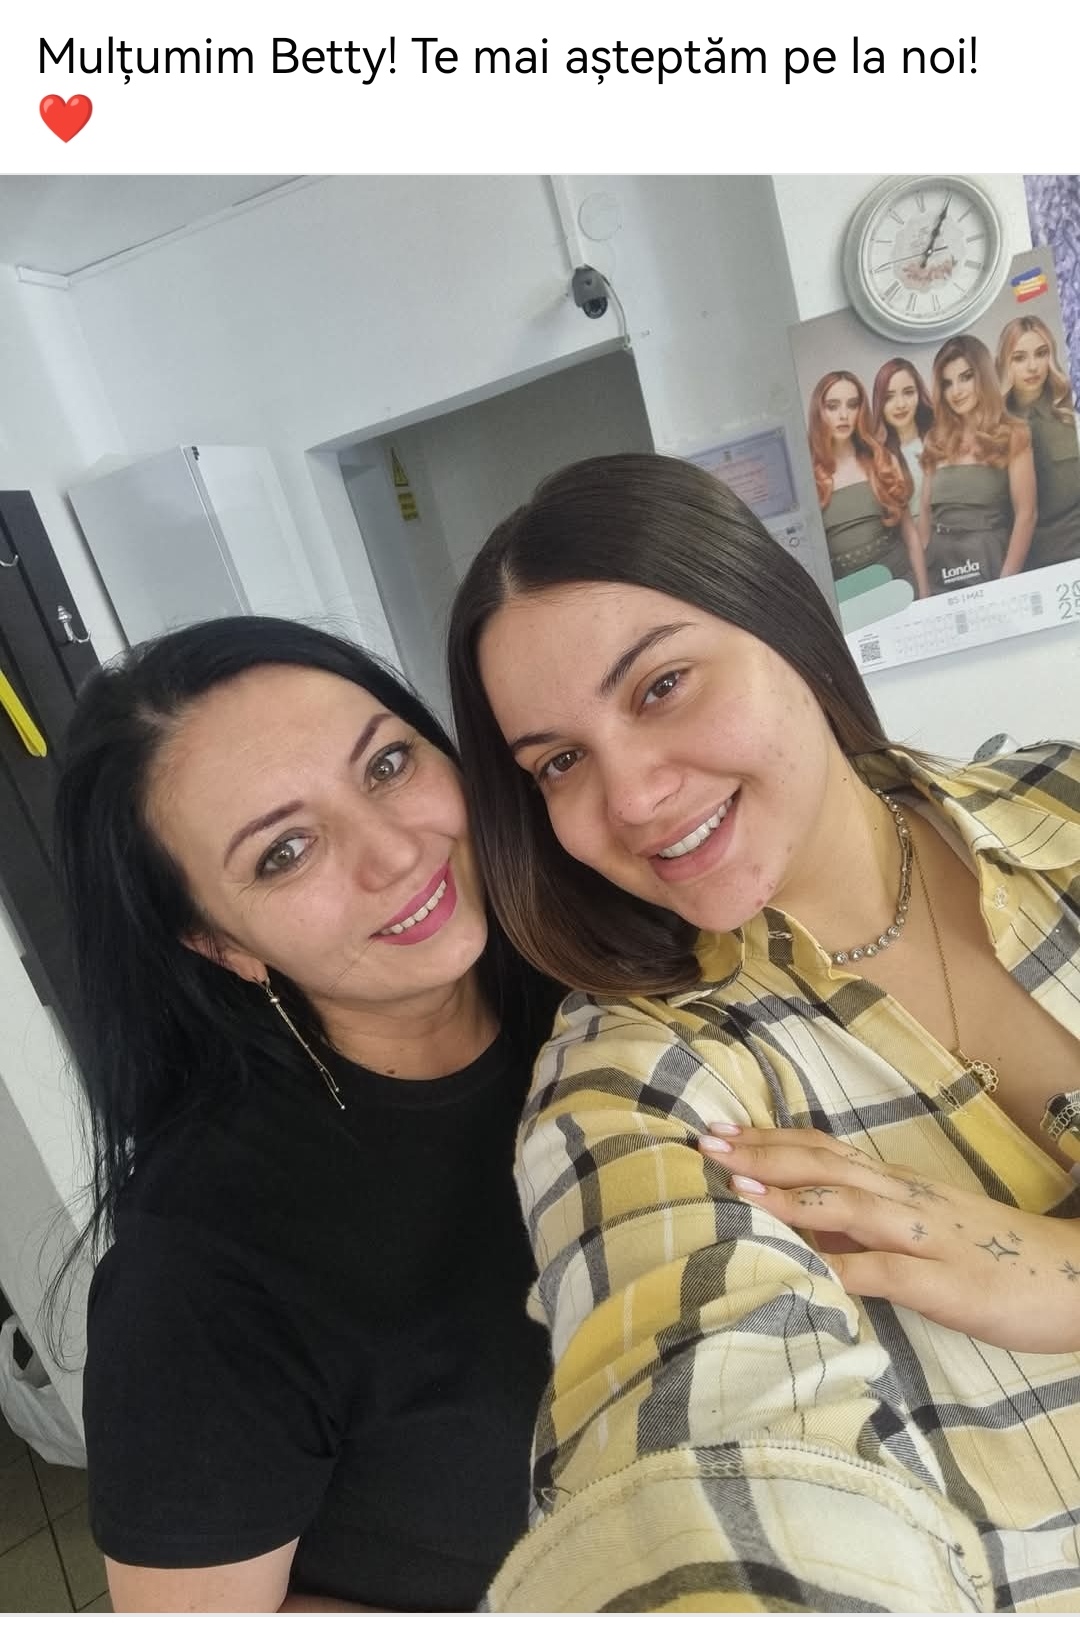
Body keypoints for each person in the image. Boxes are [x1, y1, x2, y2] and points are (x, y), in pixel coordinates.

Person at [446, 452, 1080, 1614]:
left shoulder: (1063, 803)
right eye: (560, 761)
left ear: (782, 618)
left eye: (661, 685)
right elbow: (702, 1452)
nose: (631, 797)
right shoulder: (636, 1078)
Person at [53, 616, 559, 1613]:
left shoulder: (598, 981)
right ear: (219, 944)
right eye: (285, 851)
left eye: (386, 764)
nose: (395, 851)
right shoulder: (202, 1267)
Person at [921, 334, 1037, 591]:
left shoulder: (1013, 433)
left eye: (965, 377)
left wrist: (1006, 582)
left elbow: (1026, 515)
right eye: (947, 383)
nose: (956, 391)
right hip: (939, 566)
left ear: (983, 376)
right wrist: (924, 587)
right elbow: (925, 517)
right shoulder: (935, 439)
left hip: (989, 560)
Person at [808, 369, 929, 598]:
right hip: (852, 599)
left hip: (901, 587)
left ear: (861, 411)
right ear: (818, 412)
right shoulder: (808, 478)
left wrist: (925, 596)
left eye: (852, 405)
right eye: (833, 406)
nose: (843, 415)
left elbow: (910, 536)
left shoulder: (882, 461)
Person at [997, 313, 1080, 572]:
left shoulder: (1071, 414)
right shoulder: (991, 429)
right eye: (1019, 358)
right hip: (1023, 568)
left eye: (1041, 353)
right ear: (1004, 363)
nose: (1033, 367)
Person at [872, 356, 934, 520]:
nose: (900, 404)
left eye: (908, 392)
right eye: (889, 397)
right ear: (879, 403)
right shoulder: (879, 458)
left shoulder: (939, 437)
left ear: (919, 394)